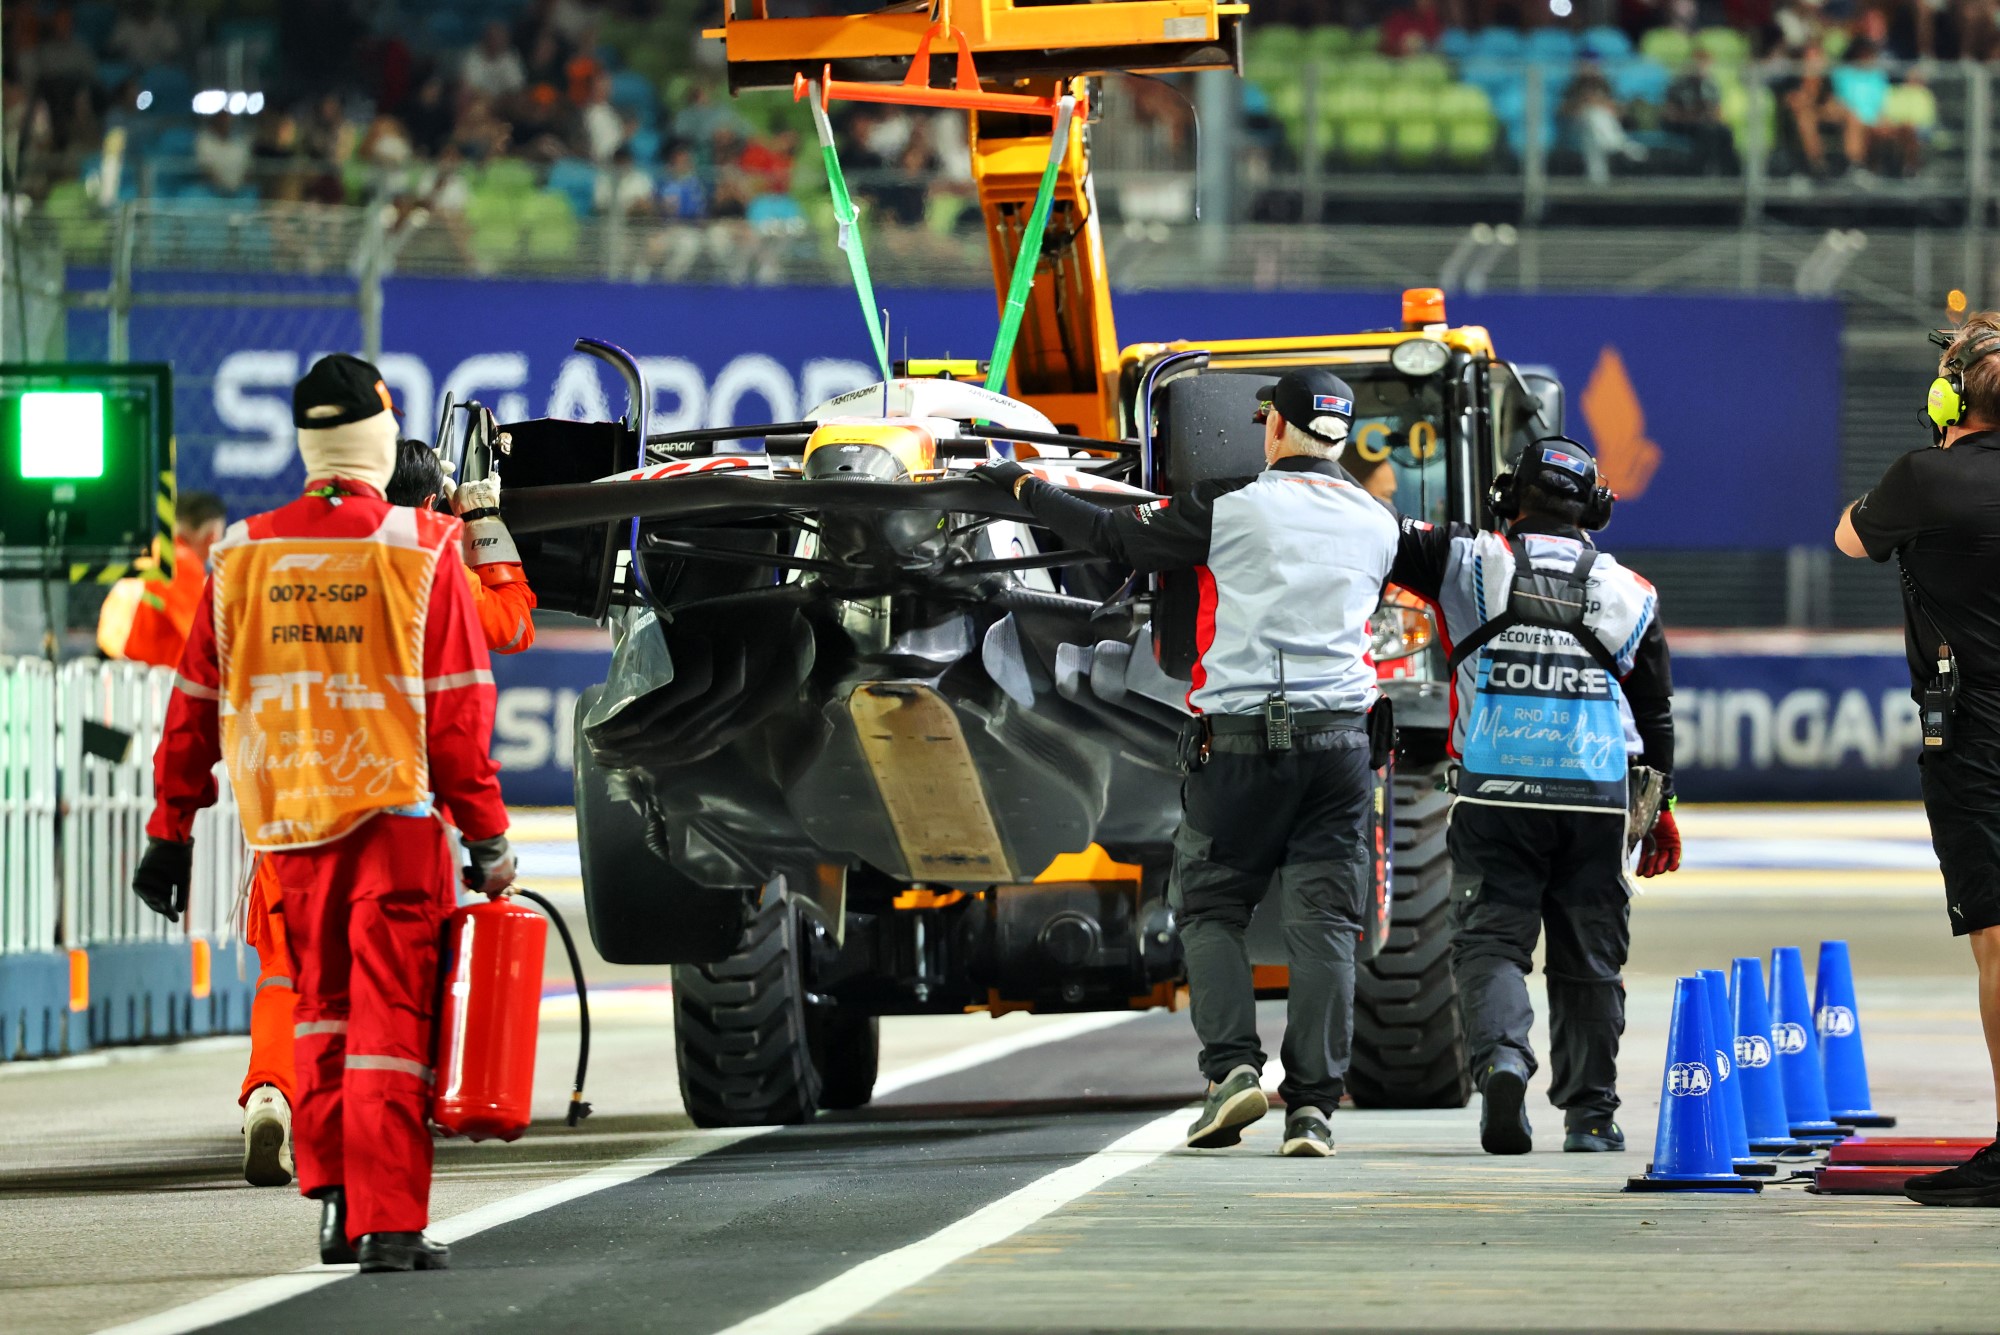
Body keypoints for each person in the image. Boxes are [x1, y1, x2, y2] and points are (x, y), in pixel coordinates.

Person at [132, 355, 515, 1271]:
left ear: (308, 442)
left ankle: (337, 1202)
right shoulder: (420, 552)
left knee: (319, 1018)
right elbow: (458, 708)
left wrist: (169, 831)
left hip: (288, 832)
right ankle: (388, 1222)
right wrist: (489, 832)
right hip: (392, 823)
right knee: (391, 1026)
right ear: (379, 439)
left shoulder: (242, 554)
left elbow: (191, 706)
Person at [977, 368, 1398, 1159]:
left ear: (1275, 430)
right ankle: (1312, 1111)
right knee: (1326, 929)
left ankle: (1233, 1072)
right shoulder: (1379, 524)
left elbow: (1111, 536)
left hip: (1239, 747)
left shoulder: (1232, 509)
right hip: (1342, 748)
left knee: (1210, 910)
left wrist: (1024, 486)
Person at [233, 435, 539, 1189]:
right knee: (381, 1002)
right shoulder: (430, 567)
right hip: (385, 815)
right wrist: (487, 524)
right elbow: (514, 622)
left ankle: (272, 1093)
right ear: (434, 506)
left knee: (289, 974)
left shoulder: (290, 562)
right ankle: (366, 1183)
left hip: (289, 801)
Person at [1388, 438, 1679, 1156]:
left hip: (1496, 794)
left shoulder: (1465, 558)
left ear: (1508, 498)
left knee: (1490, 942)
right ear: (1596, 510)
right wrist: (1664, 803)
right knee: (1590, 960)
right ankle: (1591, 1116)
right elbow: (1657, 712)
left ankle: (1502, 1062)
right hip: (1596, 800)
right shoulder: (1631, 590)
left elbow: (1372, 537)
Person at [1836, 314, 2000, 1206]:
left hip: (1978, 738)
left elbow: (1850, 537)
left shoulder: (1925, 478)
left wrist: (1934, 444)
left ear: (1947, 398)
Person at [97, 491, 227, 668]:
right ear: (210, 536)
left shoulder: (156, 551)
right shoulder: (182, 564)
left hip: (120, 664)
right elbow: (202, 637)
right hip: (146, 674)